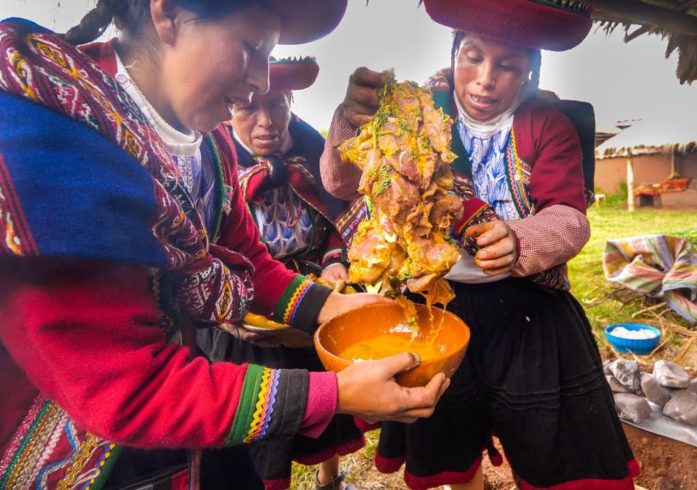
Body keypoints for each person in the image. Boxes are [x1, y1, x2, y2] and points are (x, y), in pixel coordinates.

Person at [0, 1, 449, 488]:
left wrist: (335, 308)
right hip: (83, 451)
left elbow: (247, 261)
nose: (261, 78)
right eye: (250, 48)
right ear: (167, 15)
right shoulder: (51, 143)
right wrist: (334, 394)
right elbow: (132, 390)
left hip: (185, 418)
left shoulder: (206, 147)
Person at [320, 0, 638, 488]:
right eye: (472, 56)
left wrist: (519, 238)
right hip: (436, 308)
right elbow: (342, 183)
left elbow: (568, 216)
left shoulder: (548, 124)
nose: (486, 78)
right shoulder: (413, 111)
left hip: (529, 311)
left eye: (508, 65)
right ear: (452, 56)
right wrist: (349, 117)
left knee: (551, 441)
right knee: (451, 431)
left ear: (530, 73)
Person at [196, 57, 360, 490]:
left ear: (292, 103)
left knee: (330, 400)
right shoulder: (210, 159)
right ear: (229, 106)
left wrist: (335, 262)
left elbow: (335, 224)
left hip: (311, 293)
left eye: (279, 105)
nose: (266, 121)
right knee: (264, 426)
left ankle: (331, 480)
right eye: (248, 107)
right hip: (245, 313)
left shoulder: (312, 150)